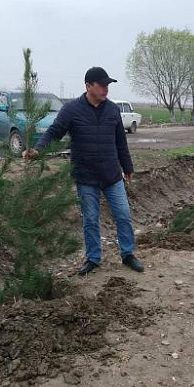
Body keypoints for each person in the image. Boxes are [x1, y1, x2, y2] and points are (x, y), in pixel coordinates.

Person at [23, 66, 144, 275]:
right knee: (90, 219)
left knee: (123, 214)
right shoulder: (72, 110)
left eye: (108, 85)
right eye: (102, 85)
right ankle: (93, 259)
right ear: (88, 86)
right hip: (86, 176)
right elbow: (54, 132)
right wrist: (38, 150)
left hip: (111, 174)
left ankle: (128, 254)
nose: (106, 89)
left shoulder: (113, 110)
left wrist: (128, 167)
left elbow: (120, 142)